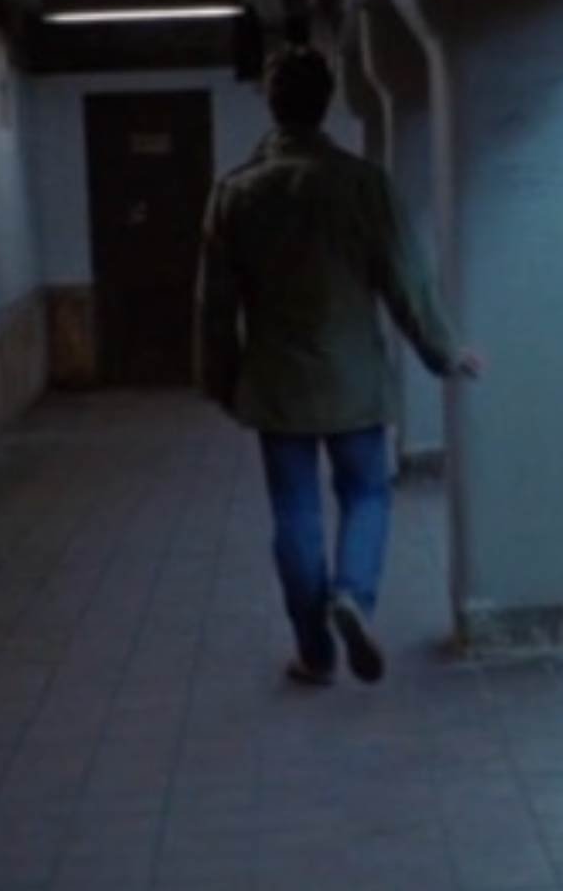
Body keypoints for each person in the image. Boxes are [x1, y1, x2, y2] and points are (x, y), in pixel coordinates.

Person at [195, 46, 481, 686]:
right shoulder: (363, 185)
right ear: (326, 103)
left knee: (294, 513)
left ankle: (315, 652)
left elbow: (214, 303)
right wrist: (443, 349)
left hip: (277, 384)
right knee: (367, 494)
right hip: (354, 380)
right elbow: (406, 279)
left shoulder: (235, 193)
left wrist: (219, 377)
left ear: (272, 104)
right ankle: (352, 594)